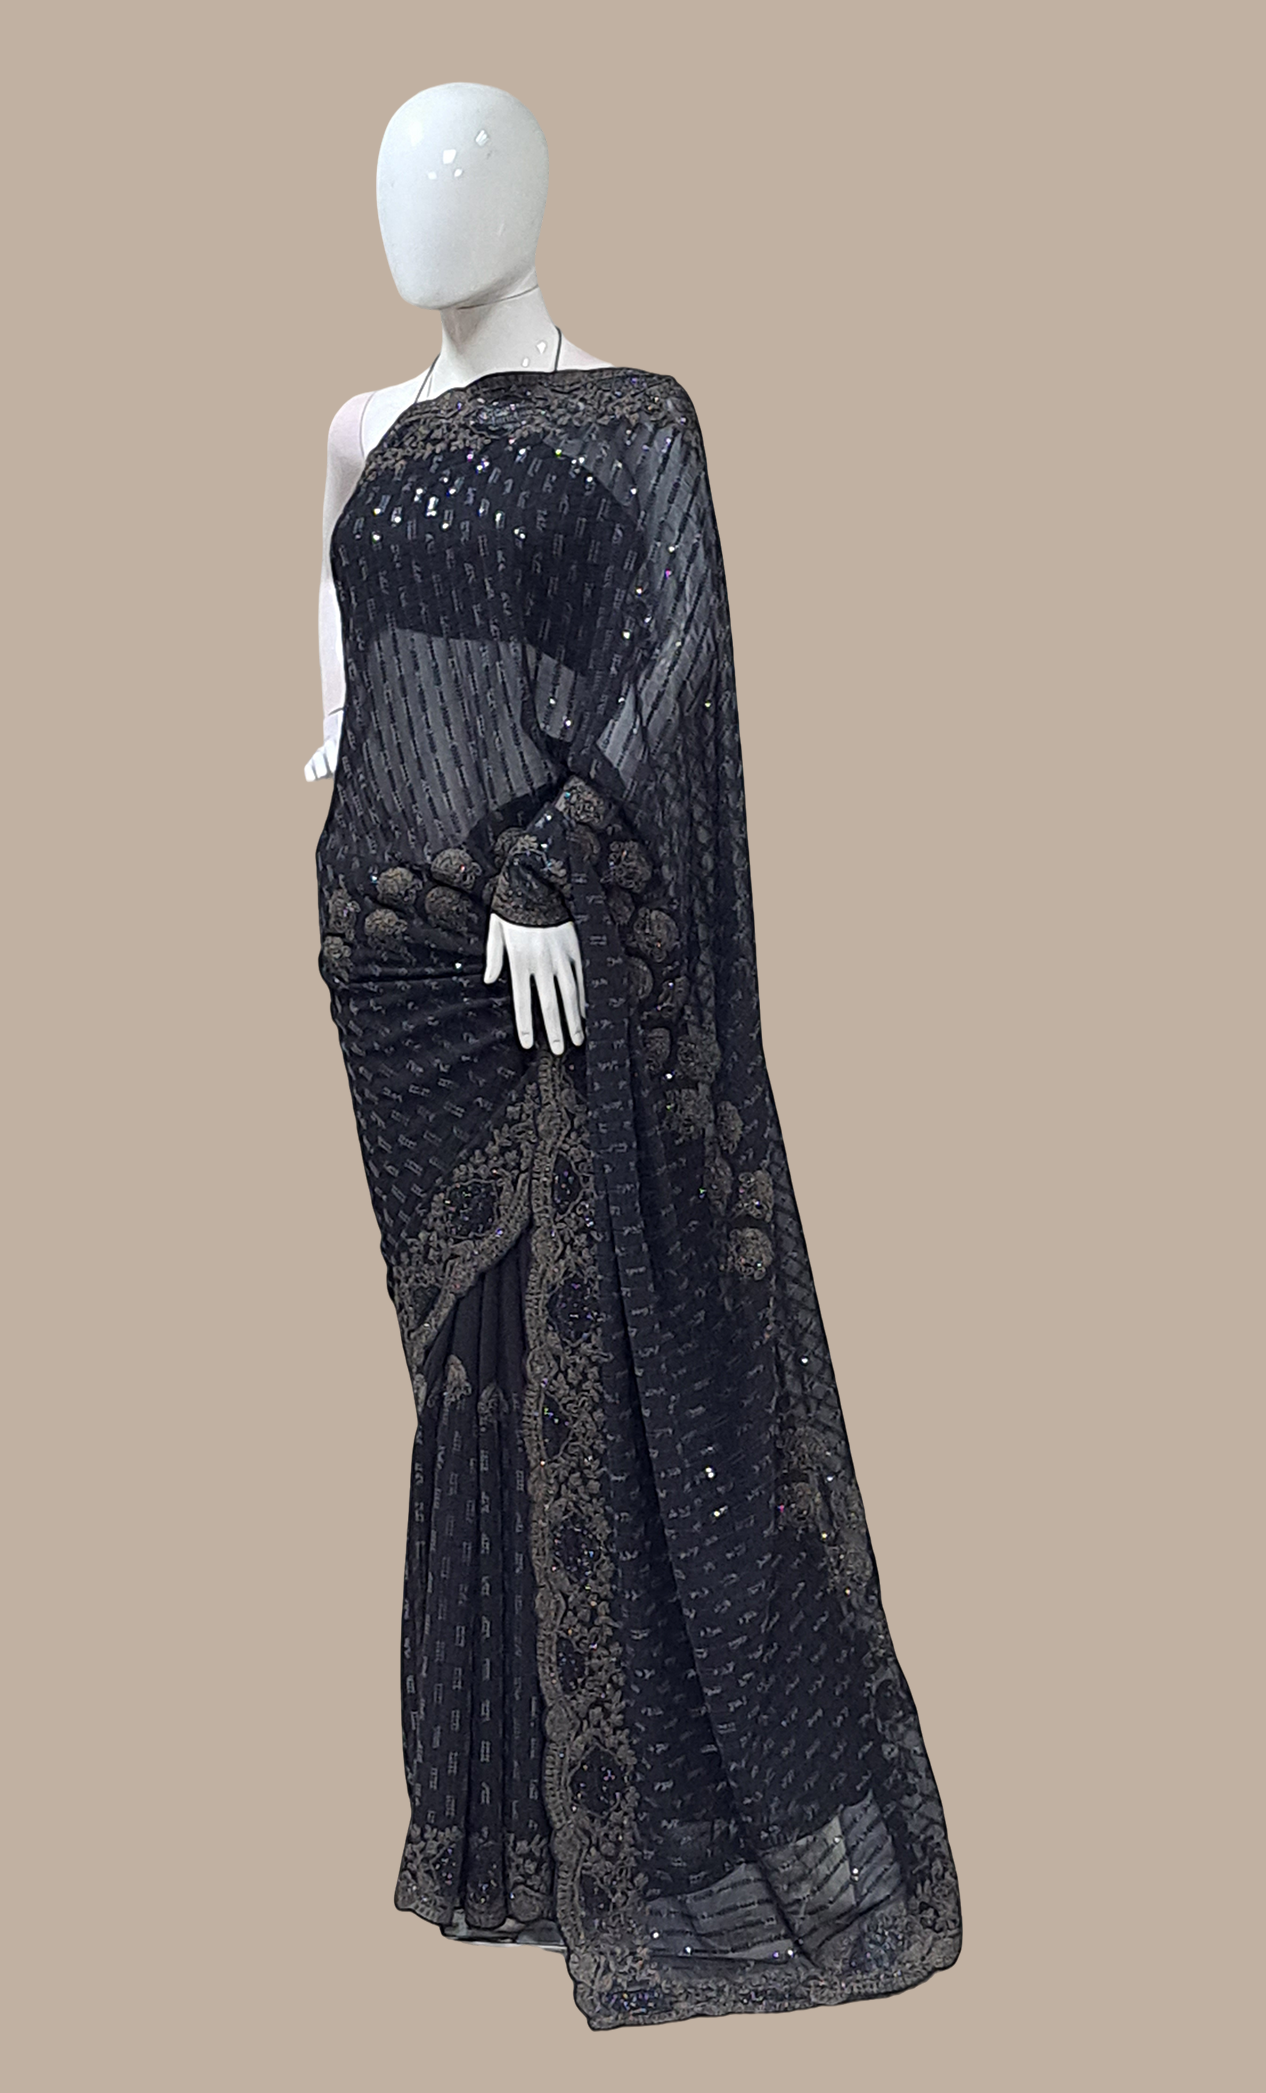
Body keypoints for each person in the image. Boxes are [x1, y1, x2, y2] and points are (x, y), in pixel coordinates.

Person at [308, 79, 961, 2032]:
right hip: (398, 964)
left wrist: (549, 862)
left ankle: (663, 1835)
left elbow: (671, 664)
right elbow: (337, 685)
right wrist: (355, 790)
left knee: (595, 1345)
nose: (416, 217)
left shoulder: (635, 423)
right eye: (391, 182)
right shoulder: (359, 429)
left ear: (527, 194)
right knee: (472, 1371)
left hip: (546, 945)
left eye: (453, 175)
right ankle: (503, 1832)